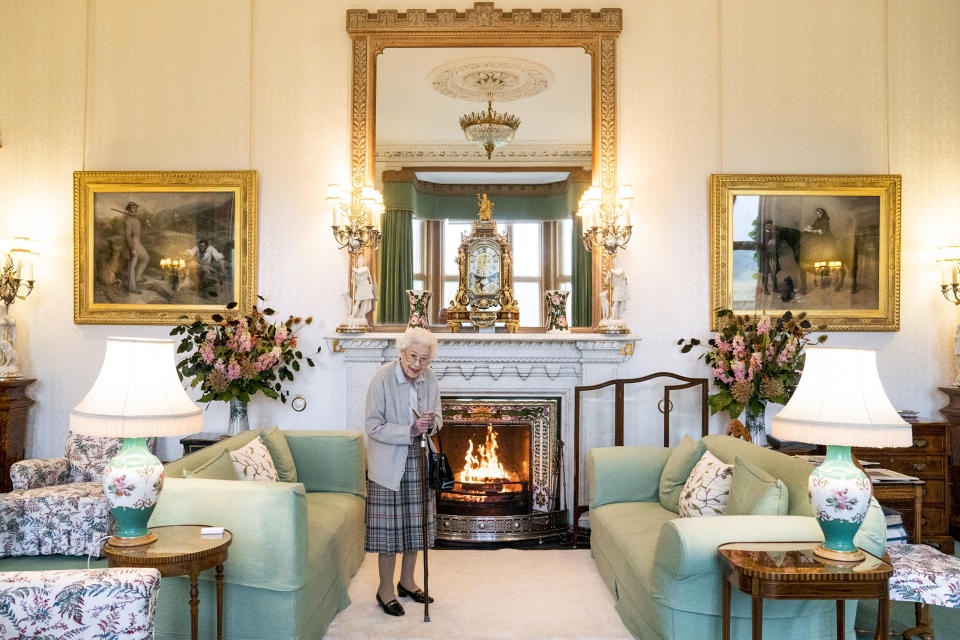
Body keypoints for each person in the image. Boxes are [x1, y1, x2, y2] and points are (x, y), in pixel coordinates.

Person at [364, 327, 442, 617]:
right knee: (389, 533)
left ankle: (407, 582)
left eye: (423, 359)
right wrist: (409, 430)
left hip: (420, 459)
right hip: (388, 464)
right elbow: (372, 426)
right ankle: (385, 589)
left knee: (415, 527)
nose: (417, 364)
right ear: (402, 352)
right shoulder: (383, 377)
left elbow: (439, 419)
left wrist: (430, 423)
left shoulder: (430, 378)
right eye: (413, 356)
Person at [121, 202, 150, 294]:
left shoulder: (136, 219)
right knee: (132, 265)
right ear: (128, 209)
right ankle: (132, 287)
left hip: (138, 243)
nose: (135, 209)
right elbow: (128, 236)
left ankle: (137, 278)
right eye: (133, 208)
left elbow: (141, 231)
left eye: (136, 208)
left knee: (146, 258)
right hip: (131, 244)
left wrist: (147, 224)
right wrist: (132, 248)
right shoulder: (128, 220)